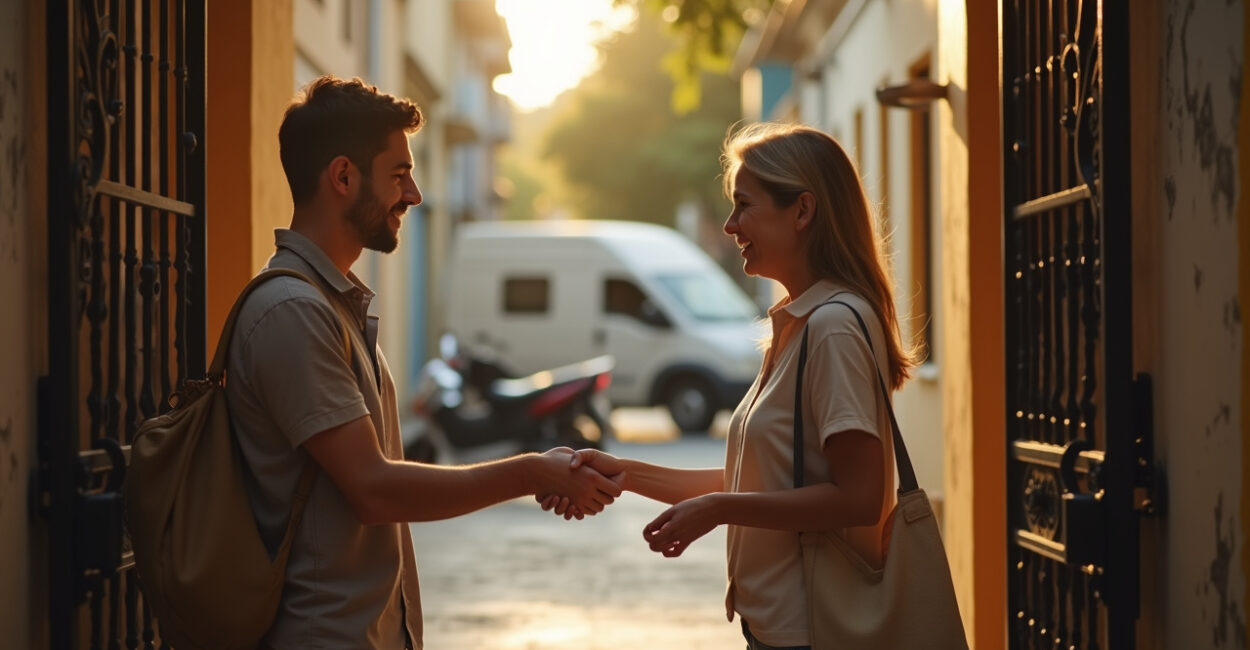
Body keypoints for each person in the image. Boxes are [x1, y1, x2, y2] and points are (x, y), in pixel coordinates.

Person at [225, 75, 621, 650]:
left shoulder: (329, 303)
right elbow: (374, 489)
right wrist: (531, 471)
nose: (412, 195)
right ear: (342, 176)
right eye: (399, 174)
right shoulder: (294, 311)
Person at [541, 122, 917, 649]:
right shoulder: (802, 322)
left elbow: (858, 496)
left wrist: (719, 510)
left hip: (812, 629)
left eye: (744, 206)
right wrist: (623, 473)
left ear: (803, 211)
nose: (729, 226)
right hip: (784, 627)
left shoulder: (832, 326)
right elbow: (760, 479)